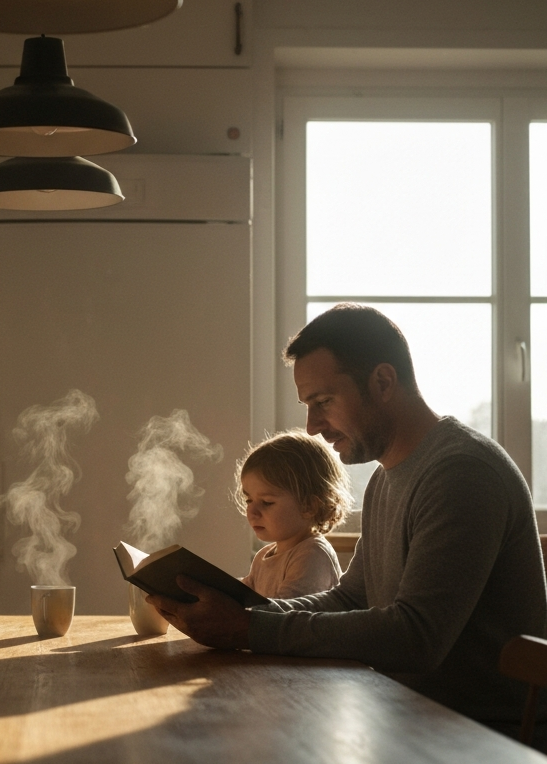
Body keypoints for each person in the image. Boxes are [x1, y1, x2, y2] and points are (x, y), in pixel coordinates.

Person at [150, 303, 547, 737]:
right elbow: (351, 597)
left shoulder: (462, 473)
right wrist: (244, 611)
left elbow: (416, 637)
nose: (312, 427)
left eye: (323, 402)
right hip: (405, 719)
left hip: (483, 740)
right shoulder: (385, 478)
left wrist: (248, 628)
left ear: (382, 382)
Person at [236, 430, 351, 599]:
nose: (251, 512)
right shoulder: (264, 556)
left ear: (309, 506)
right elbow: (242, 596)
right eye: (249, 500)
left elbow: (288, 610)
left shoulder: (312, 555)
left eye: (266, 502)